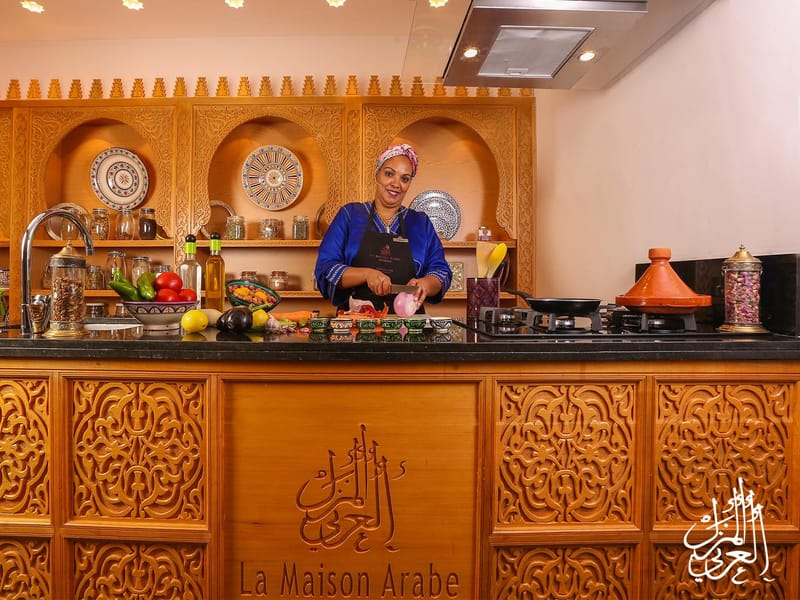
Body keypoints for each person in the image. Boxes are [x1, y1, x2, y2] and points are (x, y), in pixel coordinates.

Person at [314, 143, 452, 313]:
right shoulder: (349, 215)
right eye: (389, 174)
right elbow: (325, 268)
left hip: (408, 328)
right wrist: (366, 274)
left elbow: (441, 272)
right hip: (356, 326)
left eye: (405, 178)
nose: (396, 184)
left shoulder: (420, 223)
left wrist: (425, 284)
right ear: (377, 174)